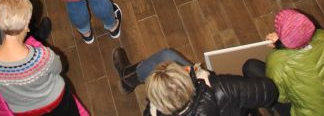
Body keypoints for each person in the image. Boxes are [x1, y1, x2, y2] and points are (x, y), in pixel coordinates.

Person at [0, 0, 80, 116]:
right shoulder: (42, 57)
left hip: (22, 111)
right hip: (56, 103)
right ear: (26, 25)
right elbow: (58, 69)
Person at [243, 8, 324, 116]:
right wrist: (281, 43)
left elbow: (281, 97)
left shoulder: (277, 60)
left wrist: (279, 47)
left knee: (250, 67)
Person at [111, 47, 278, 114]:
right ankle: (127, 78)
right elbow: (270, 92)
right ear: (187, 78)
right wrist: (203, 74)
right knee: (167, 56)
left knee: (166, 56)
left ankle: (128, 78)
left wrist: (153, 109)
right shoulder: (220, 87)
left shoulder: (152, 113)